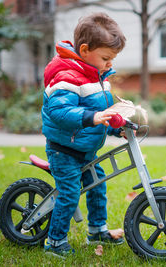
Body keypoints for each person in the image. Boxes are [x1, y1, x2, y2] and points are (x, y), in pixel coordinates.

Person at [41, 12, 126, 257]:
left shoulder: (98, 77)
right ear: (86, 50)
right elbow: (60, 111)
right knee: (69, 193)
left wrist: (115, 125)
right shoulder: (66, 77)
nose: (110, 64)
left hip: (86, 149)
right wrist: (91, 117)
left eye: (112, 58)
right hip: (64, 150)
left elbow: (101, 114)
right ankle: (55, 241)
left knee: (98, 187)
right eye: (106, 58)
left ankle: (97, 230)